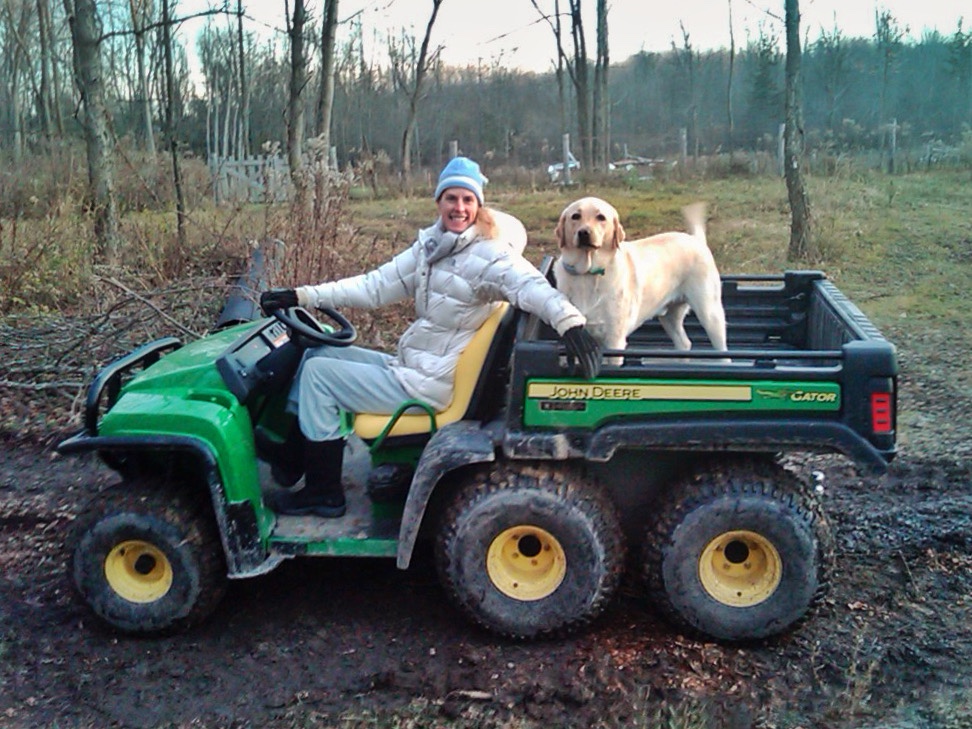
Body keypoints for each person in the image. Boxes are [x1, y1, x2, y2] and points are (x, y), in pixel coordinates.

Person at [259, 156, 601, 518]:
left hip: (426, 383)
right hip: (414, 363)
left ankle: (324, 493)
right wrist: (303, 296)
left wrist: (570, 323)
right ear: (439, 202)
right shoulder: (432, 248)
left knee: (318, 376)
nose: (459, 208)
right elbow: (374, 287)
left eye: (468, 200)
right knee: (315, 356)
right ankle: (297, 458)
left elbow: (530, 286)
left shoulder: (489, 255)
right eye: (451, 198)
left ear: (479, 206)